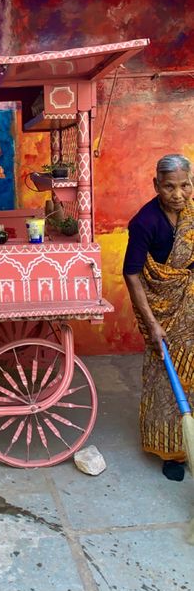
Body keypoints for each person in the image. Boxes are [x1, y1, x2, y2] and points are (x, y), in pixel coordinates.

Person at [123, 154, 194, 482]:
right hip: (164, 310)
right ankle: (172, 452)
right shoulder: (144, 222)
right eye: (169, 187)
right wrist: (152, 323)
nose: (179, 194)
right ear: (156, 185)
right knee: (167, 380)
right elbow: (133, 275)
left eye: (185, 186)